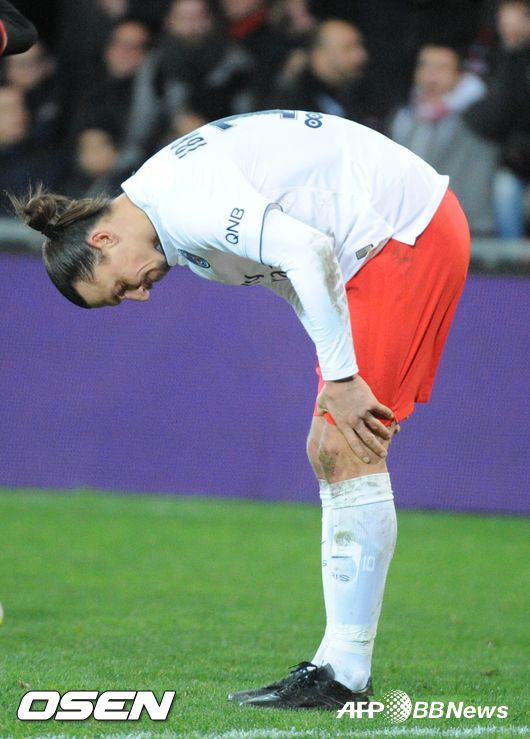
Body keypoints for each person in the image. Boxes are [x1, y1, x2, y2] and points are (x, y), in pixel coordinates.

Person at [12, 110, 470, 710]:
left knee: (344, 447)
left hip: (403, 234)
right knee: (328, 446)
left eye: (121, 287)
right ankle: (338, 665)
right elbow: (293, 278)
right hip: (384, 239)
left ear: (102, 240)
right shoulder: (177, 230)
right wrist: (336, 370)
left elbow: (308, 249)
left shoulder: (186, 206)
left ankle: (345, 675)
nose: (141, 295)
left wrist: (342, 375)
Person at [389, 43, 498, 235]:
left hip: (470, 224)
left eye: (442, 67)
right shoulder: (403, 118)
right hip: (412, 225)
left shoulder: (479, 117)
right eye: (425, 65)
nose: (431, 74)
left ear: (459, 75)